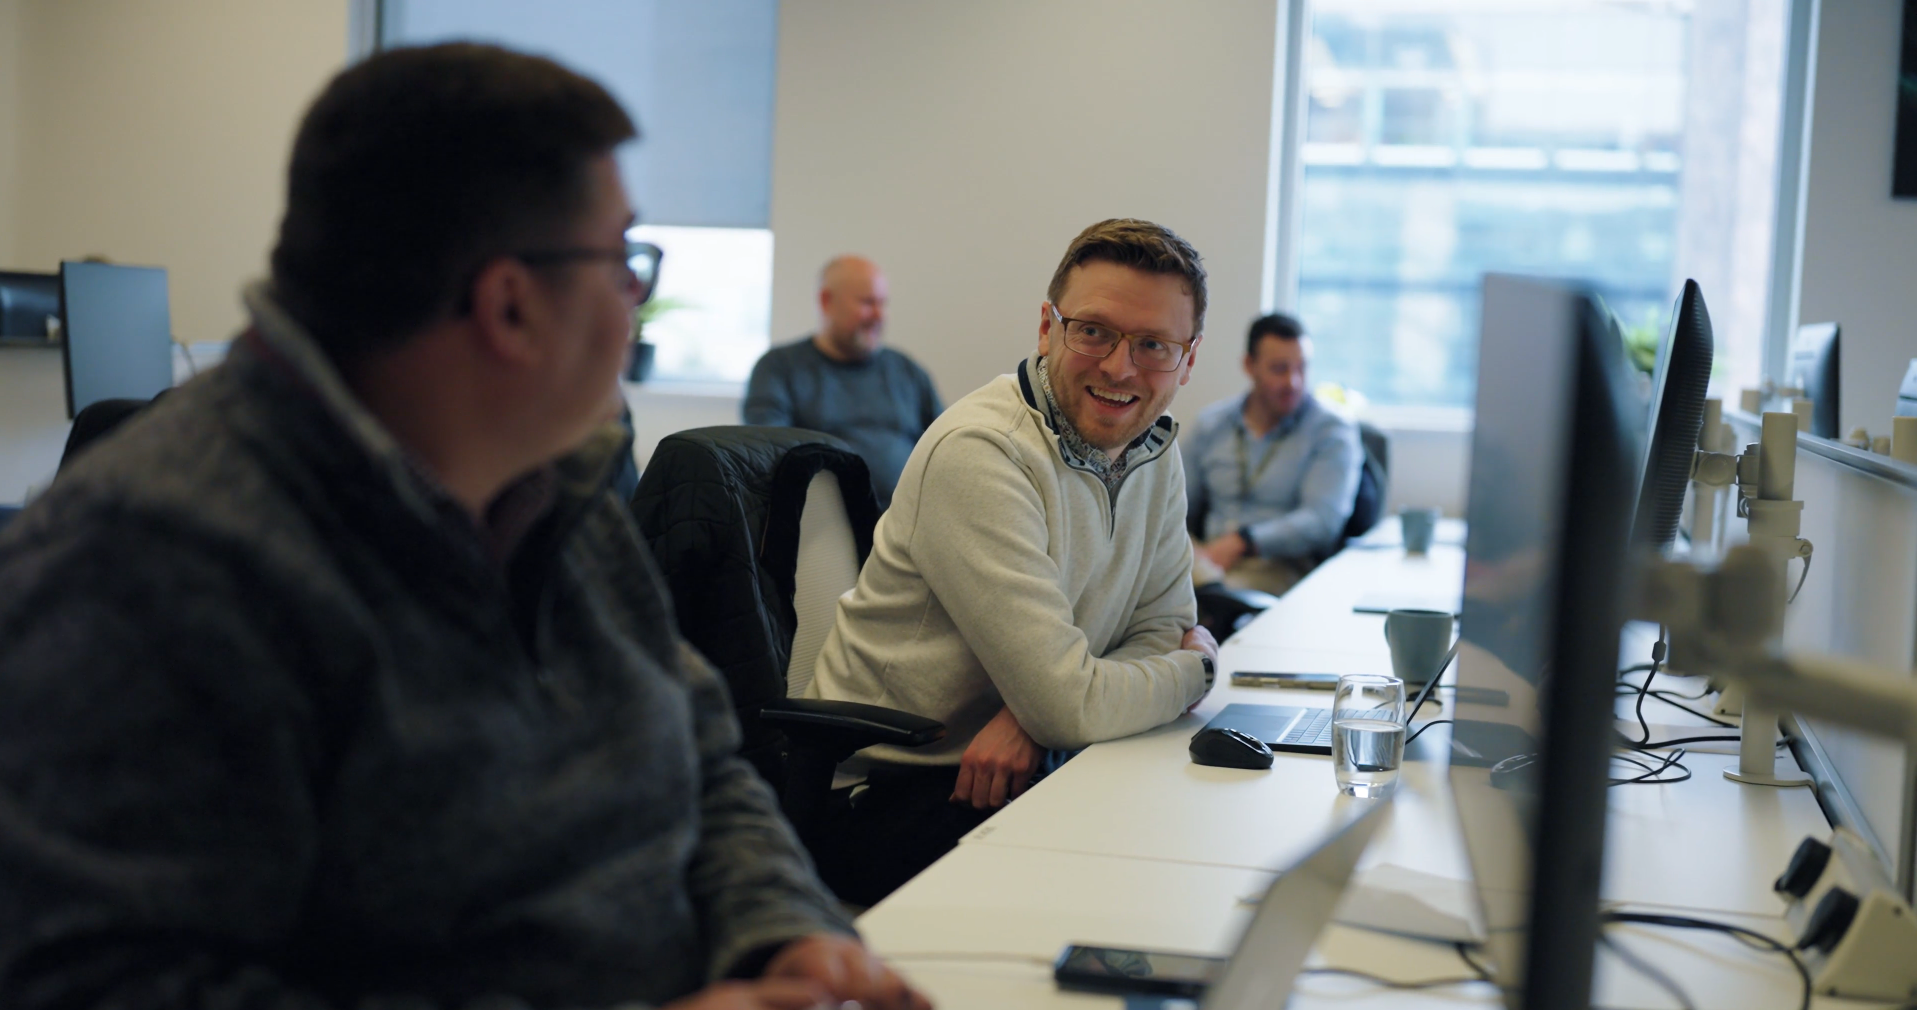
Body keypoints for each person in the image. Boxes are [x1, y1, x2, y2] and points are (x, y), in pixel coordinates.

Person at [0, 44, 927, 1010]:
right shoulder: (149, 566)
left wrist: (780, 933)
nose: (634, 301)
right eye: (623, 262)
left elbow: (697, 757)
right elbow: (107, 985)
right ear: (509, 305)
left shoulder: (553, 500)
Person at [804, 219, 1220, 905]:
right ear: (1046, 328)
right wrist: (1195, 669)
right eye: (1092, 331)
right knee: (1128, 889)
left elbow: (1154, 629)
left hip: (1028, 766)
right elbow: (1099, 686)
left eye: (1152, 345)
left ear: (1188, 358)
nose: (1119, 367)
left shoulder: (1154, 450)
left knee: (1183, 851)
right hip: (889, 794)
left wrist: (1043, 710)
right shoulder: (982, 452)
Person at [1185, 313, 1362, 596]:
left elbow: (1322, 519)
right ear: (1249, 365)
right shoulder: (1211, 425)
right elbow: (1174, 505)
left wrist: (1244, 541)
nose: (1293, 382)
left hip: (1276, 568)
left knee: (1212, 598)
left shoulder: (1330, 430)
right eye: (1279, 369)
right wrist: (1190, 549)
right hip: (1204, 559)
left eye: (1302, 368)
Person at [742, 256, 941, 507]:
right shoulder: (778, 367)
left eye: (883, 303)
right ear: (827, 301)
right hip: (823, 525)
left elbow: (944, 443)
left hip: (909, 518)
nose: (878, 315)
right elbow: (768, 450)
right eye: (867, 303)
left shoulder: (906, 371)